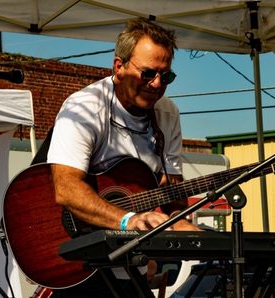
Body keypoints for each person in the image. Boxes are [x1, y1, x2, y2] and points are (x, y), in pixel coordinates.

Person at [47, 17, 200, 297]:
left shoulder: (168, 114)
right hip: (83, 262)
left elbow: (171, 191)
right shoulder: (84, 108)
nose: (156, 84)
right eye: (148, 73)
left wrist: (179, 220)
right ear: (119, 67)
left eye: (165, 77)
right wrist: (128, 220)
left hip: (134, 265)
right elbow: (67, 189)